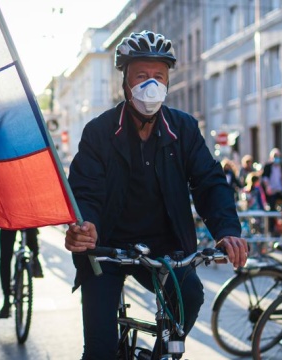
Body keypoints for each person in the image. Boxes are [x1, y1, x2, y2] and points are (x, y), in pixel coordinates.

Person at [63, 30, 247, 359]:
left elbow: (209, 181)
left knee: (190, 295)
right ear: (125, 81)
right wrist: (85, 225)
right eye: (142, 76)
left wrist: (228, 230)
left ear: (168, 81)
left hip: (166, 250)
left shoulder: (185, 128)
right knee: (100, 350)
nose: (151, 85)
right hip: (106, 250)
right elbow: (85, 189)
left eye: (158, 76)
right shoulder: (99, 132)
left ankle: (163, 354)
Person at [0, 228, 43, 319]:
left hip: (13, 219)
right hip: (21, 218)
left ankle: (6, 300)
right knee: (5, 258)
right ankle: (6, 298)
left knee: (5, 259)